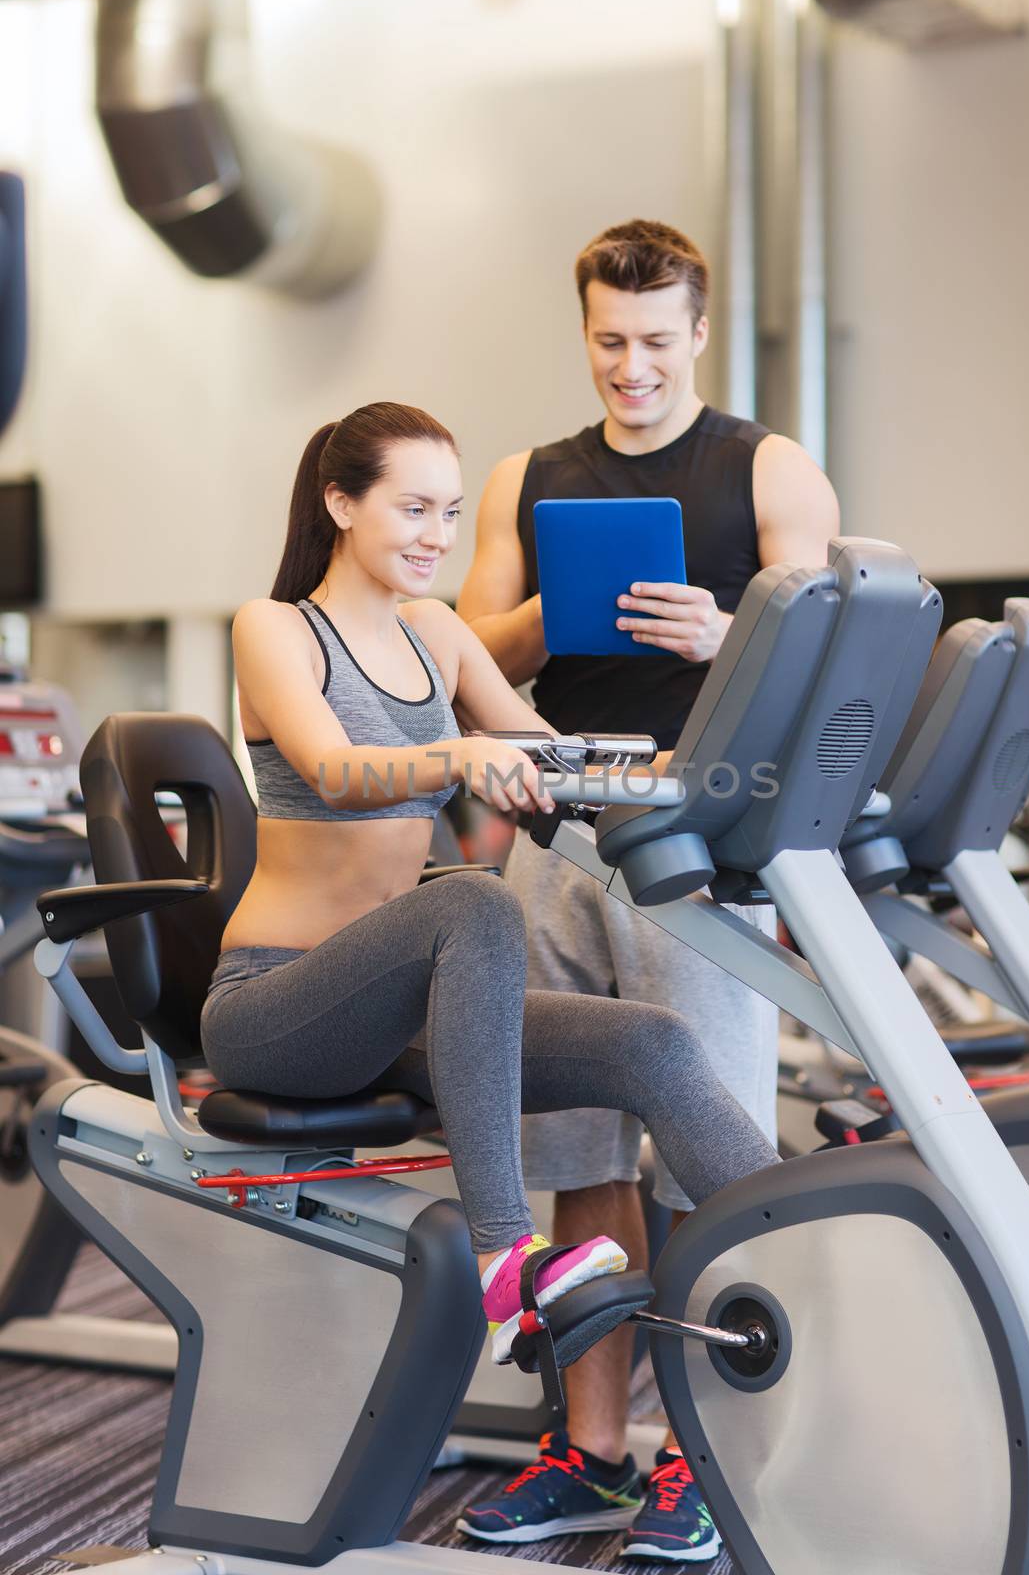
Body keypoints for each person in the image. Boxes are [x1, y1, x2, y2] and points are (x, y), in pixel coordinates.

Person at [199, 400, 778, 1382]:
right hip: (278, 1006)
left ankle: (816, 1255)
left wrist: (712, 773)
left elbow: (552, 758)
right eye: (412, 509)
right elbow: (337, 769)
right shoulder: (276, 629)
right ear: (340, 503)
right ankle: (508, 1262)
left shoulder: (437, 634)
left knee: (656, 1041)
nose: (437, 537)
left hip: (407, 1016)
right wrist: (459, 753)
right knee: (474, 898)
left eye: (451, 514)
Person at [456, 220, 839, 1561]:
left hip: (699, 838)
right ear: (587, 333)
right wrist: (554, 614)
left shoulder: (767, 467)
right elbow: (468, 645)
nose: (632, 367)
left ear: (699, 333)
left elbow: (830, 655)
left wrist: (726, 631)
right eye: (610, 342)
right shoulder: (529, 476)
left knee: (704, 1153)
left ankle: (706, 1456)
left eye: (656, 342)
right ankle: (594, 1448)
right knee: (575, 1155)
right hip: (558, 833)